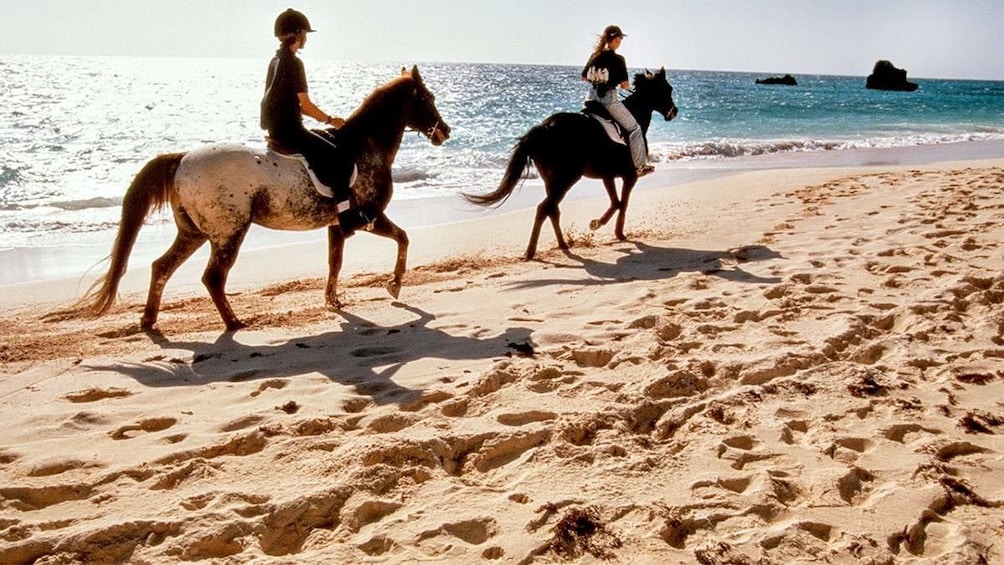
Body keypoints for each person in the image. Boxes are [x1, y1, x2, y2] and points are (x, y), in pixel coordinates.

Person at [261, 8, 370, 235]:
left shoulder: (276, 60)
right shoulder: (293, 63)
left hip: (277, 127)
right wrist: (331, 119)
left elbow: (295, 105)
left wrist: (323, 120)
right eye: (305, 34)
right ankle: (346, 217)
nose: (306, 39)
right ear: (298, 34)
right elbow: (306, 104)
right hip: (291, 130)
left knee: (324, 139)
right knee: (339, 157)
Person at [581, 25, 654, 177]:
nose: (620, 41)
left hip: (590, 100)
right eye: (620, 39)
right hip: (608, 101)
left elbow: (584, 77)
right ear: (614, 40)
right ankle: (640, 166)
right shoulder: (618, 59)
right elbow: (624, 85)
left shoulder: (594, 55)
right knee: (635, 129)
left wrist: (598, 78)